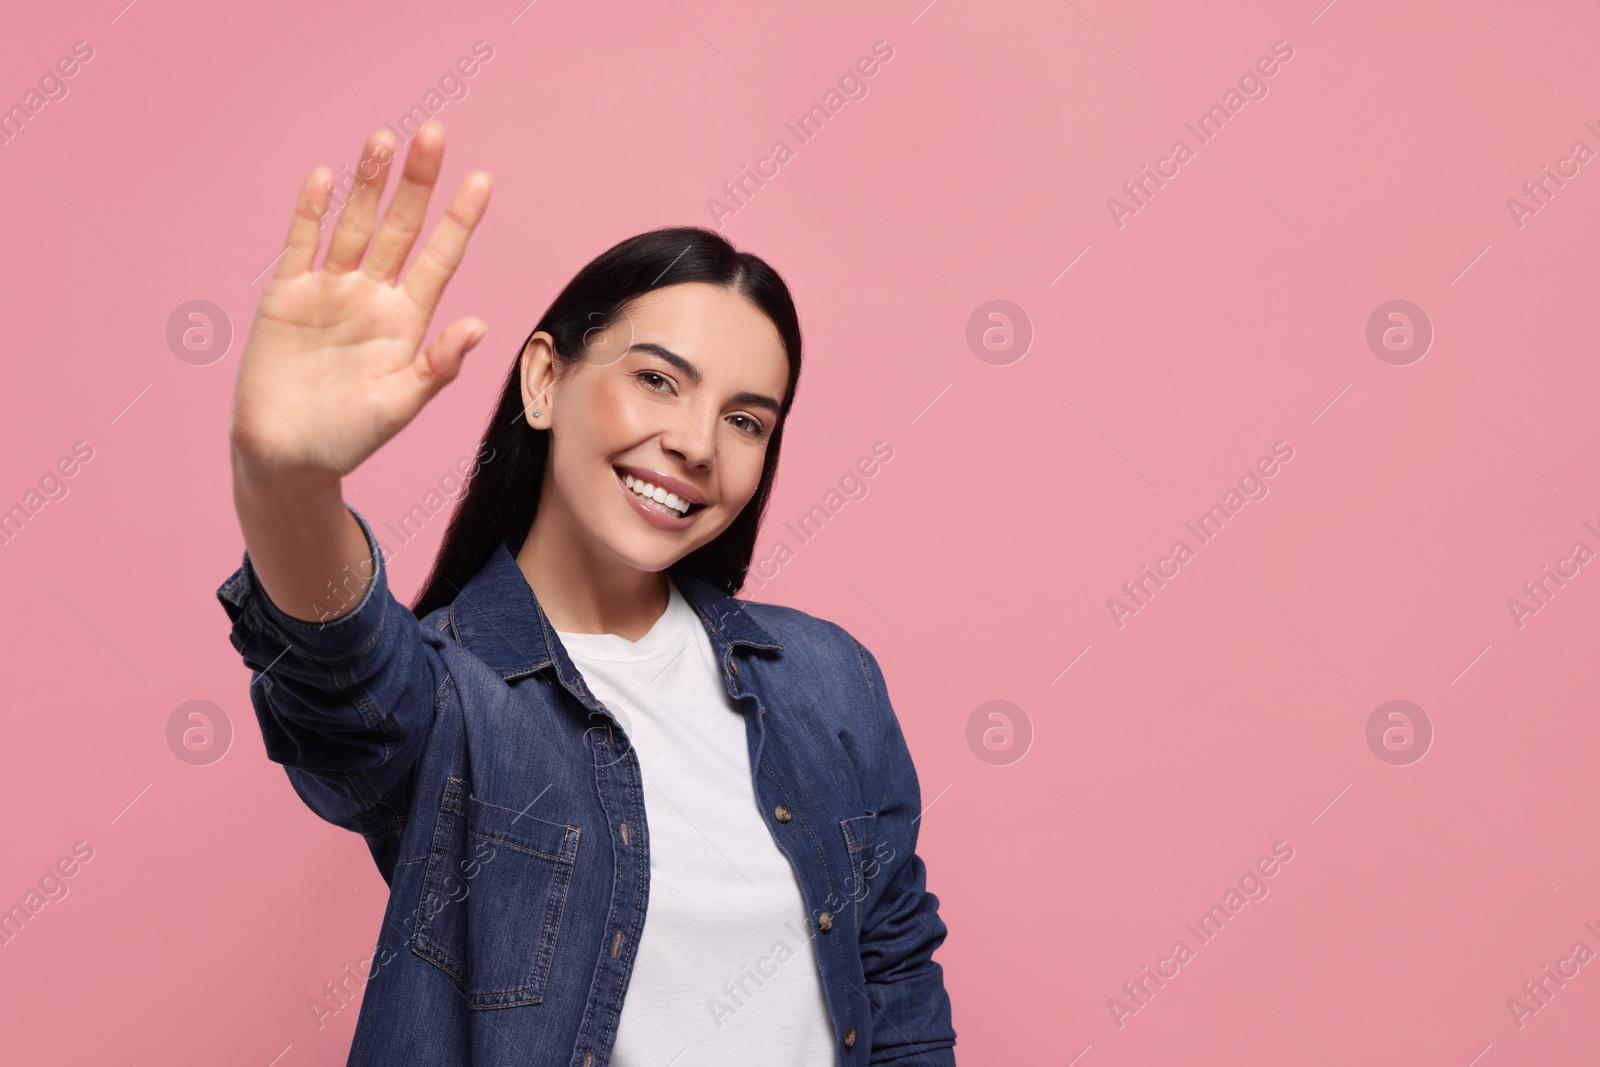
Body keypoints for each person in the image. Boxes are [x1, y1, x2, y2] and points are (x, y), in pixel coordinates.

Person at [215, 119, 956, 1066]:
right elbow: (338, 674)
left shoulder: (828, 679)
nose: (696, 442)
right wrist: (286, 482)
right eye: (657, 379)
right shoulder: (453, 697)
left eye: (744, 418)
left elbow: (892, 971)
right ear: (543, 379)